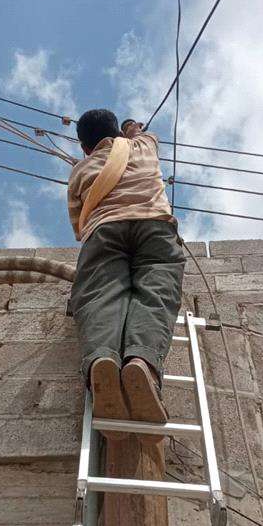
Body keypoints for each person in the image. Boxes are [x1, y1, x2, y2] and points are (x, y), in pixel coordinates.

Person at [67, 109, 185, 442]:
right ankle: (143, 364)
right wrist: (132, 130)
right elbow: (143, 134)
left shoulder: (79, 172)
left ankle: (102, 360)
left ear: (85, 147)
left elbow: (78, 225)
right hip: (154, 226)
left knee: (99, 296)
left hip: (104, 231)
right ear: (118, 133)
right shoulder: (144, 146)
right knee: (157, 293)